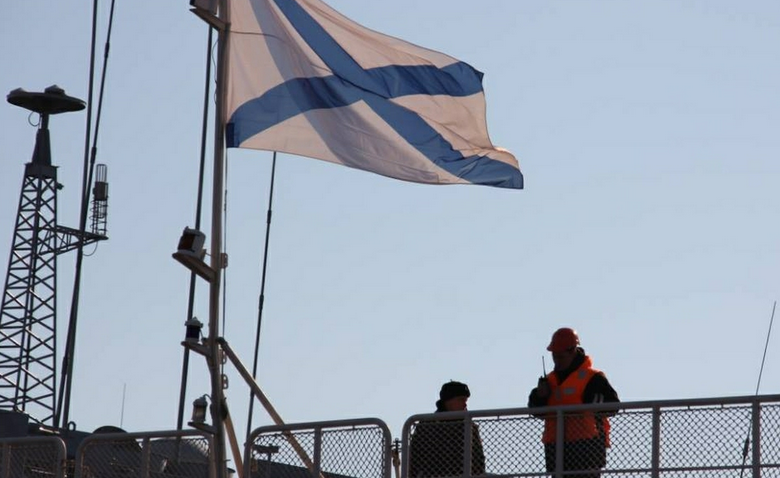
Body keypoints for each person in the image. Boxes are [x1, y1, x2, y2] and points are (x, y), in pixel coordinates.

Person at [528, 328, 619, 478]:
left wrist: (593, 404)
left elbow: (613, 406)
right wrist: (540, 396)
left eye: (560, 356)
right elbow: (535, 410)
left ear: (573, 351)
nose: (557, 360)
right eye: (554, 356)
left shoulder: (593, 378)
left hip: (587, 449)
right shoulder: (549, 381)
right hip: (556, 451)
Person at [409, 381, 486, 478]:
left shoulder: (469, 426)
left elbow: (478, 461)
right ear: (448, 401)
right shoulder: (427, 426)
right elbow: (414, 459)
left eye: (466, 401)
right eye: (461, 400)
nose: (465, 404)